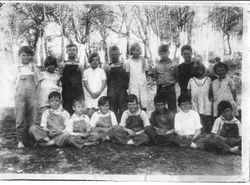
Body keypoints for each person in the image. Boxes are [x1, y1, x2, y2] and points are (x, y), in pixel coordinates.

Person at [14, 46, 39, 148]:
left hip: (32, 96)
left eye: (28, 55)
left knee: (32, 118)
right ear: (19, 56)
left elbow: (39, 83)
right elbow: (10, 83)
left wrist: (36, 95)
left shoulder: (34, 68)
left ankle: (31, 140)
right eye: (23, 55)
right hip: (19, 97)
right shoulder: (16, 68)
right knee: (20, 118)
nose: (25, 57)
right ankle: (21, 140)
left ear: (31, 56)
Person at [187, 61, 213, 133]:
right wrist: (191, 100)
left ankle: (208, 133)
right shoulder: (191, 80)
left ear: (203, 69)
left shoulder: (208, 79)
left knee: (206, 118)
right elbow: (189, 91)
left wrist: (210, 99)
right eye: (196, 69)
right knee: (197, 117)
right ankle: (199, 133)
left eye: (200, 69)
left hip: (206, 101)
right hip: (195, 102)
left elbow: (211, 91)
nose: (198, 71)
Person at [59, 43, 84, 115]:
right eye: (69, 50)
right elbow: (61, 76)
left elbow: (82, 77)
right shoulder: (63, 64)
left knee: (78, 108)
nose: (72, 51)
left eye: (74, 50)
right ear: (66, 52)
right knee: (67, 109)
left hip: (77, 91)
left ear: (77, 52)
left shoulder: (80, 65)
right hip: (67, 91)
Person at [105, 46, 129, 122]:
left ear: (119, 54)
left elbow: (127, 78)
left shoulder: (123, 65)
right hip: (112, 91)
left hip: (122, 91)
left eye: (116, 54)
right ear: (110, 55)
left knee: (123, 108)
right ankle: (114, 125)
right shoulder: (107, 67)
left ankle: (123, 124)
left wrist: (126, 88)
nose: (114, 56)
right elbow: (106, 80)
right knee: (112, 109)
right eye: (112, 54)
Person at [152, 44, 178, 113]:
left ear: (169, 53)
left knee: (172, 108)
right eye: (161, 53)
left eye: (165, 53)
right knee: (159, 107)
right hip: (160, 89)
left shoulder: (174, 64)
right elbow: (154, 76)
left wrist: (173, 82)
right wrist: (156, 81)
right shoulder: (157, 66)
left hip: (170, 89)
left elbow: (177, 77)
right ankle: (160, 122)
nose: (163, 55)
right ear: (158, 54)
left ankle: (173, 123)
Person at [126, 43, 148, 112]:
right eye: (134, 50)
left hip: (142, 84)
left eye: (137, 50)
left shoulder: (144, 60)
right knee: (134, 102)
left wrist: (142, 80)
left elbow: (146, 72)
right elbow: (127, 73)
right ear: (131, 51)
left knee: (143, 103)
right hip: (133, 85)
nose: (136, 52)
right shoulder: (128, 61)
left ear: (140, 51)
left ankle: (144, 119)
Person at [83, 53, 107, 118]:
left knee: (99, 110)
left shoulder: (101, 71)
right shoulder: (86, 71)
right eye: (93, 60)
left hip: (99, 93)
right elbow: (85, 83)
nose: (95, 62)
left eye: (96, 60)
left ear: (99, 61)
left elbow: (104, 82)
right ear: (90, 61)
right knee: (90, 111)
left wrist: (99, 92)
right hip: (90, 94)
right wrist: (91, 93)